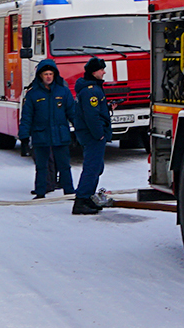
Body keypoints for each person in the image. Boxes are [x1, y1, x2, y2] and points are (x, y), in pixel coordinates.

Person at [19, 58, 77, 197]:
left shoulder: (63, 91)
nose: (48, 77)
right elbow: (27, 117)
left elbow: (72, 113)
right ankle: (40, 192)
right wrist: (24, 137)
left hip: (60, 135)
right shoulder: (33, 94)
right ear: (40, 75)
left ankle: (69, 191)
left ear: (55, 75)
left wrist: (80, 131)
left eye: (51, 74)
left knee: (64, 165)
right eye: (45, 74)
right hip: (41, 136)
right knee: (41, 167)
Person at [72, 57, 113, 215]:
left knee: (96, 167)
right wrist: (100, 135)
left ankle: (88, 196)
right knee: (92, 167)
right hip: (92, 136)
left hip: (90, 134)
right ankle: (81, 200)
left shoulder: (91, 89)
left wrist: (107, 107)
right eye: (101, 69)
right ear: (94, 71)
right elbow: (91, 115)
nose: (104, 72)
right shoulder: (92, 91)